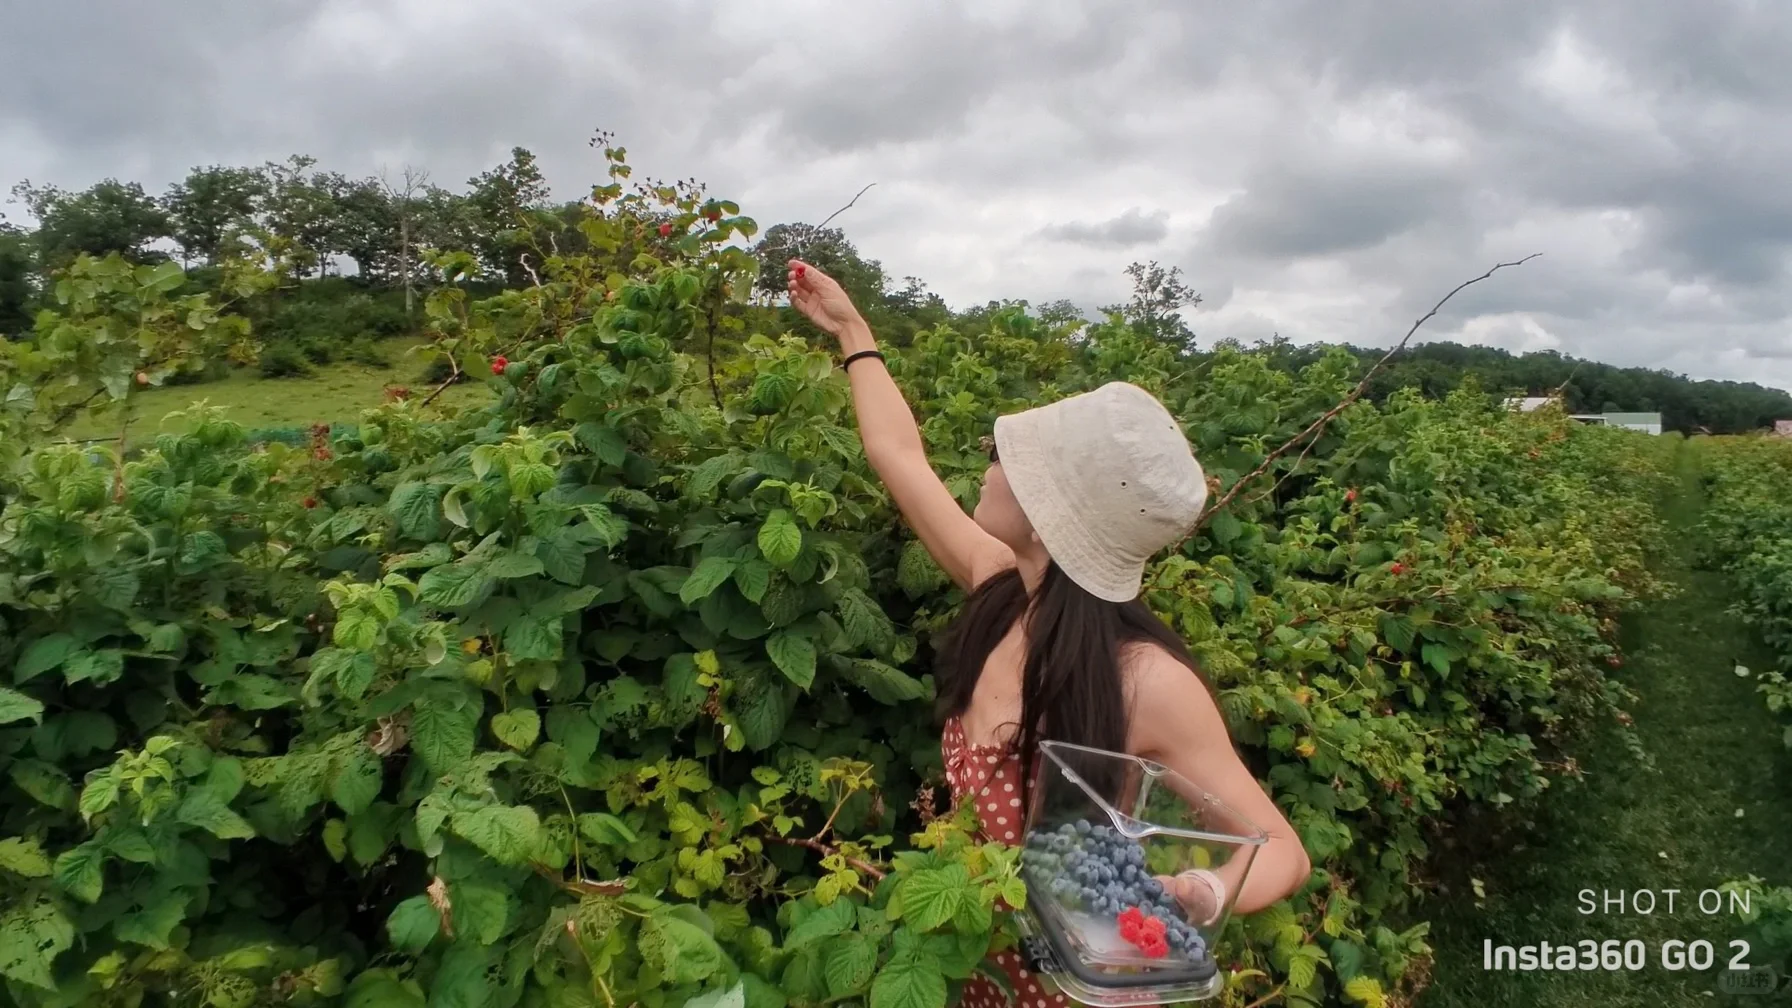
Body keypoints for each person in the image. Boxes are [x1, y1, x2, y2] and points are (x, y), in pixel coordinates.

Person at [785, 259, 1312, 1006]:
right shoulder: (1002, 587)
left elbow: (1284, 852)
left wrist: (1195, 891)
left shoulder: (1145, 681)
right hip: (974, 968)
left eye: (1003, 459)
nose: (987, 465)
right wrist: (851, 331)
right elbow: (898, 458)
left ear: (1043, 512)